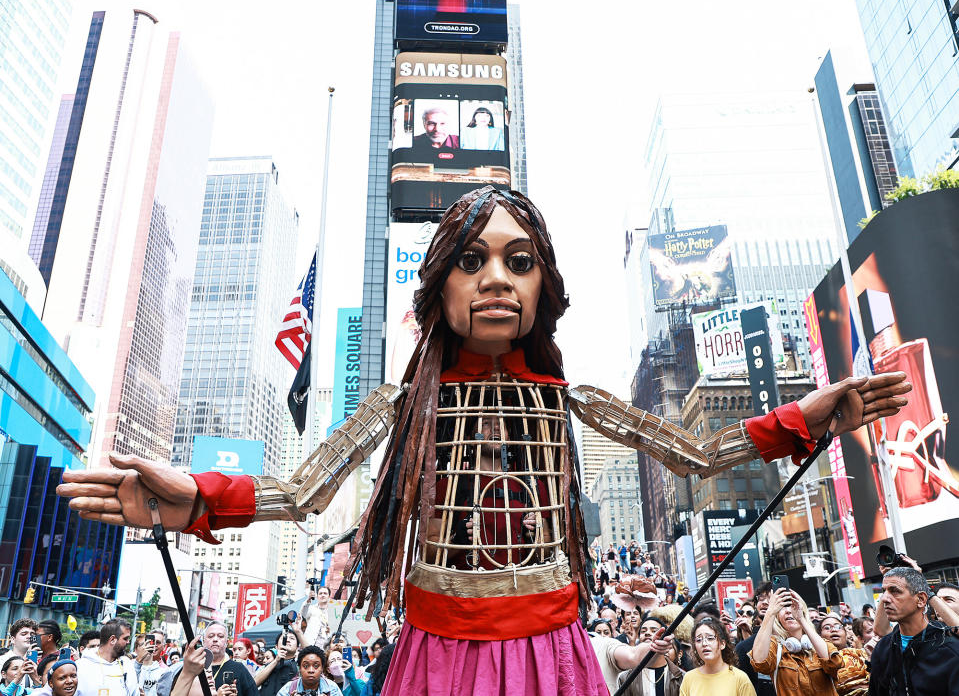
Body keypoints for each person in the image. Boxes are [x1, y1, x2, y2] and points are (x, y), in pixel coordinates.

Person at [58, 186, 912, 694]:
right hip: (437, 655)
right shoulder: (403, 402)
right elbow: (303, 492)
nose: (496, 278)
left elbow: (698, 453)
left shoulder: (568, 397)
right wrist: (195, 498)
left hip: (552, 650)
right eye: (470, 260)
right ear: (439, 286)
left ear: (544, 283)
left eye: (518, 259)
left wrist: (810, 415)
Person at [868, 567, 959, 695]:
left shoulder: (950, 650)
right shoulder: (883, 648)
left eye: (895, 591)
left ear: (921, 599)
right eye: (884, 591)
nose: (885, 599)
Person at [750, 588, 840, 695]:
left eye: (792, 605)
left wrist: (801, 619)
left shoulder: (820, 643)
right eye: (783, 607)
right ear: (778, 617)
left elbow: (833, 663)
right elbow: (759, 662)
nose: (788, 611)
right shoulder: (775, 648)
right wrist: (770, 613)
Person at [678, 617, 754, 696]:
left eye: (710, 638)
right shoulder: (689, 678)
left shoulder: (740, 678)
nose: (704, 643)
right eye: (699, 640)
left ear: (722, 644)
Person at [614, 615, 686, 696]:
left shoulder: (681, 677)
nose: (647, 633)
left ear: (665, 636)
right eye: (643, 631)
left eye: (654, 630)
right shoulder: (626, 677)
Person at [76, 619, 138, 696]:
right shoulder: (80, 667)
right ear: (112, 640)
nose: (128, 642)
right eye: (125, 638)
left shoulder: (127, 665)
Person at [736, 583, 775, 696]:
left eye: (770, 598)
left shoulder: (793, 641)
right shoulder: (744, 648)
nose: (764, 602)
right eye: (761, 598)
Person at [816, 614, 869, 696]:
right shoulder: (815, 663)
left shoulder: (863, 654)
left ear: (846, 633)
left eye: (838, 627)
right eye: (827, 628)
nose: (834, 630)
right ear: (819, 636)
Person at [274, 647, 341, 696]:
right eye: (306, 666)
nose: (311, 670)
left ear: (322, 669)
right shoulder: (288, 689)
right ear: (299, 668)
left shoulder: (332, 688)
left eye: (316, 666)